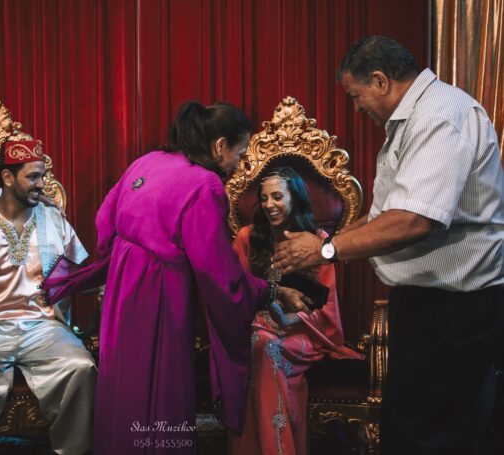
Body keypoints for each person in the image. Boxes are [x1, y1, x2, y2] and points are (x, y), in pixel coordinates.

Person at [273, 35, 504, 455]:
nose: (356, 108)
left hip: (455, 309)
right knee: (408, 427)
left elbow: (414, 220)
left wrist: (325, 251)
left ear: (380, 81)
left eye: (355, 95)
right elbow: (388, 214)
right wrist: (326, 243)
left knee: (435, 436)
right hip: (426, 303)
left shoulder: (439, 116)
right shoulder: (417, 117)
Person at [44, 101, 283, 454]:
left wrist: (127, 255)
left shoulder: (148, 160)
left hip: (122, 288)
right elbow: (216, 271)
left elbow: (105, 219)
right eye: (241, 153)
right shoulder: (206, 185)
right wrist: (265, 291)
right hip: (158, 293)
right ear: (220, 146)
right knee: (159, 383)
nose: (240, 164)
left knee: (125, 382)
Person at [0, 140, 96, 455]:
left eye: (43, 176)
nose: (42, 185)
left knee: (81, 366)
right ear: (8, 178)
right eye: (33, 177)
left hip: (44, 327)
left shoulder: (54, 219)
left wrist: (115, 275)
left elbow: (81, 274)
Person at [227, 167, 363, 455]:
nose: (269, 205)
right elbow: (236, 294)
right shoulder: (248, 238)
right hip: (256, 330)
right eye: (264, 198)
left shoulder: (316, 239)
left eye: (278, 197)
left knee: (265, 348)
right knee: (263, 345)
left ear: (295, 198)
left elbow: (325, 307)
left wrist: (288, 318)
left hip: (302, 333)